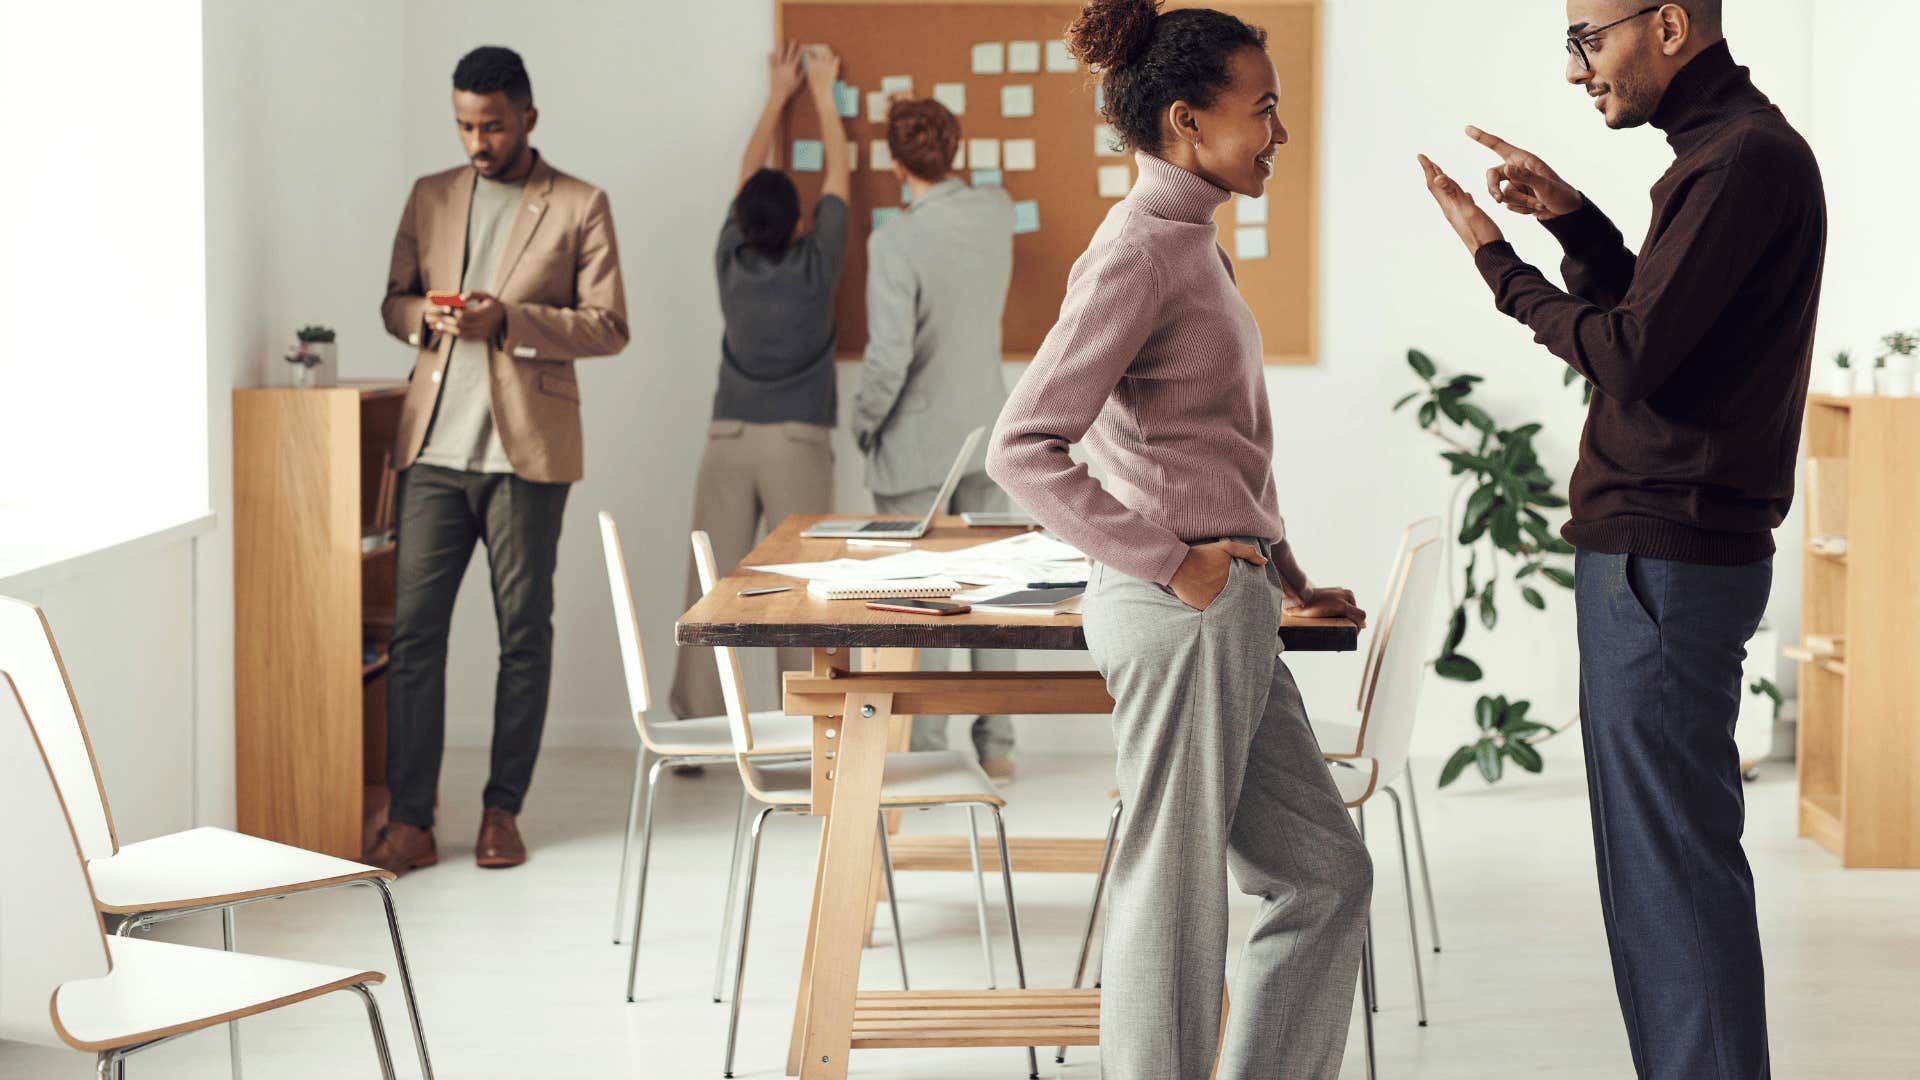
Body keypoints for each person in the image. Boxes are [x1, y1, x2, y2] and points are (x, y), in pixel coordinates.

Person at [1417, 3, 1825, 1076]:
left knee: (1670, 880)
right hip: (1670, 556)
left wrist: (1497, 261)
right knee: (1664, 877)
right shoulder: (1724, 155)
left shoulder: (1737, 161)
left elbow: (1633, 356)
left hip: (1665, 560)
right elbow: (1678, 331)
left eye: (1588, 38)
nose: (1573, 69)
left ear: (1672, 26)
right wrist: (1576, 222)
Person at [987, 2, 1371, 1075]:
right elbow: (1023, 446)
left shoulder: (1191, 242)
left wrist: (1285, 575)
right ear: (1186, 121)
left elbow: (1219, 447)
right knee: (1176, 884)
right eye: (1265, 110)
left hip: (1230, 598)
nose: (1280, 132)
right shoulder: (1142, 253)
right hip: (1182, 606)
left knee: (1327, 875)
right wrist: (1173, 563)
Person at [369, 45, 629, 875]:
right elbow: (393, 300)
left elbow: (609, 325)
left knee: (524, 635)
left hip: (526, 456)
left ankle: (500, 811)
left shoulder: (580, 204)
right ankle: (410, 818)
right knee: (414, 638)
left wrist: (509, 321)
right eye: (464, 125)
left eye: (492, 125)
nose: (477, 142)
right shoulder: (432, 196)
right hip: (434, 451)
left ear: (527, 117)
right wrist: (428, 318)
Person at [668, 42, 850, 728]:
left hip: (728, 437)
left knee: (709, 582)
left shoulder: (730, 260)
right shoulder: (816, 264)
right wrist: (825, 93)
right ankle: (804, 719)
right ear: (801, 223)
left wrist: (779, 92)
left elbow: (749, 175)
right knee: (802, 587)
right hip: (799, 441)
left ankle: (692, 721)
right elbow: (839, 175)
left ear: (742, 222)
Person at [854, 96, 1020, 777]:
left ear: (895, 164)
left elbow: (888, 357)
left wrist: (864, 422)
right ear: (954, 151)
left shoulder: (892, 240)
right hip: (989, 429)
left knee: (920, 597)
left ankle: (924, 750)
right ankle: (998, 746)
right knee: (993, 590)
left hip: (917, 445)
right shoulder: (997, 212)